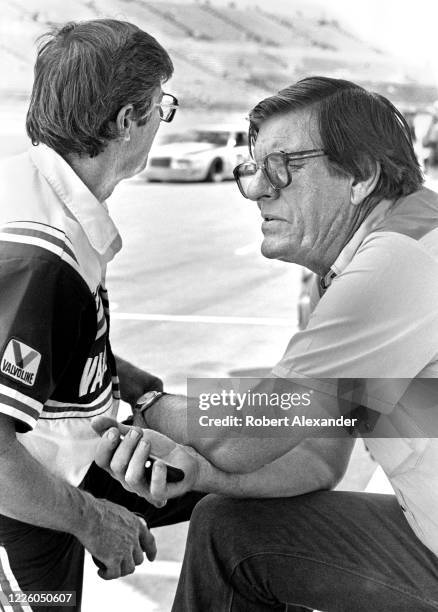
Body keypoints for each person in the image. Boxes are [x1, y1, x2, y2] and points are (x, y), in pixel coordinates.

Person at [94, 76, 438, 611]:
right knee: (226, 524)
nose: (258, 191)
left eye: (283, 167)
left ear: (361, 175)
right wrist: (201, 474)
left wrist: (142, 399)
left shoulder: (395, 266)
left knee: (230, 536)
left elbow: (241, 436)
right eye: (253, 169)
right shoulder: (384, 253)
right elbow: (319, 460)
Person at [0, 19, 203, 611]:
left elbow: (44, 340)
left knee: (233, 475)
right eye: (161, 108)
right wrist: (94, 521)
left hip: (62, 458)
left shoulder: (41, 187)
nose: (161, 125)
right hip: (24, 499)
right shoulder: (38, 253)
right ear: (125, 121)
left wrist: (118, 375)